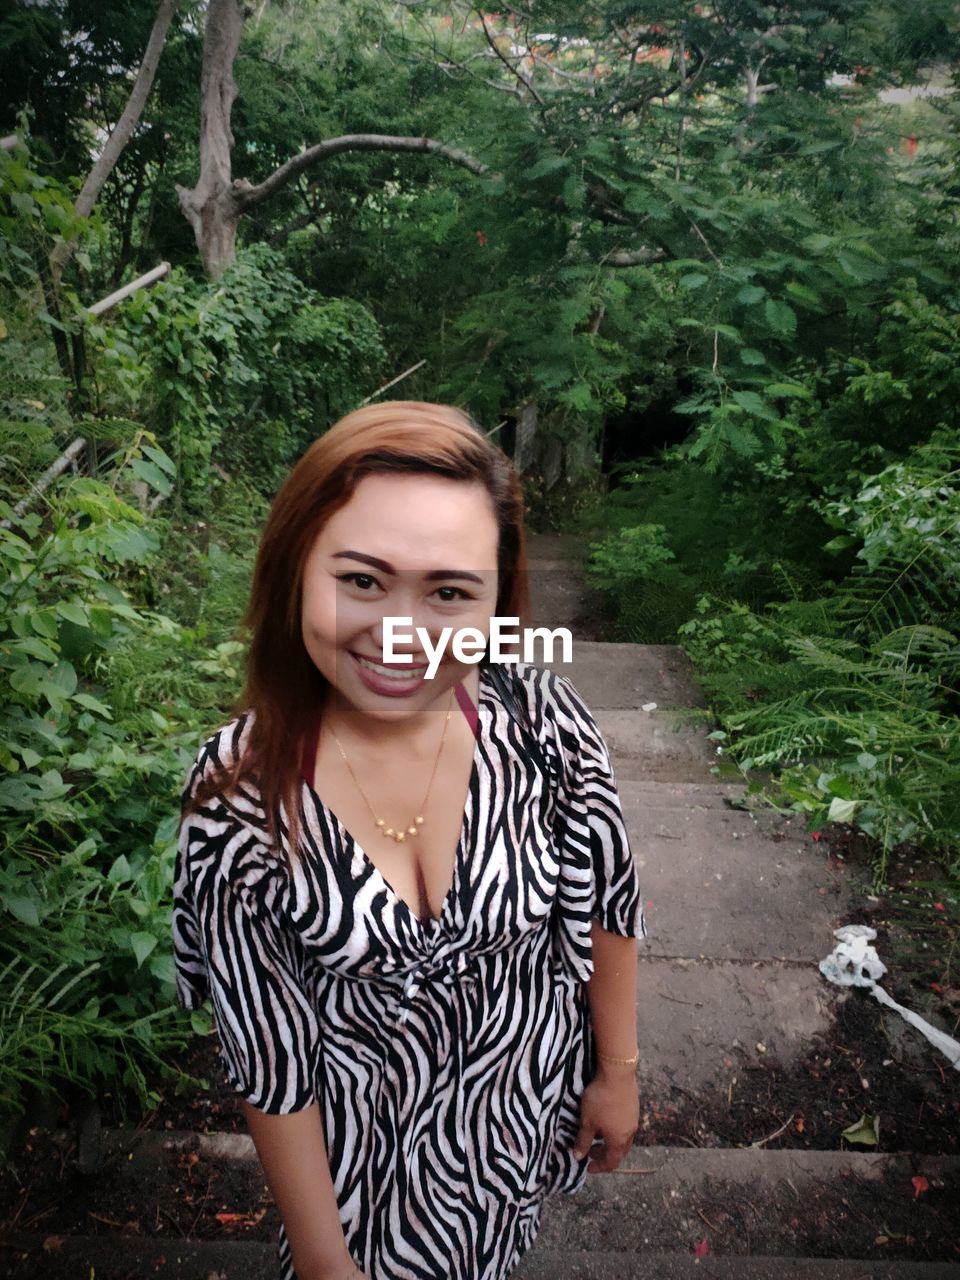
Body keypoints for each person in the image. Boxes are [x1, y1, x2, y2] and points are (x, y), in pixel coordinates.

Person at [172, 401, 647, 1280]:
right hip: (355, 1176)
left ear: (498, 602)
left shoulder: (545, 726)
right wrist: (324, 1265)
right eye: (361, 580)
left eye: (449, 592)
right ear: (295, 575)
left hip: (516, 1127)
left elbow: (607, 900)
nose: (403, 633)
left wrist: (616, 1070)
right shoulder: (240, 801)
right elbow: (269, 1058)